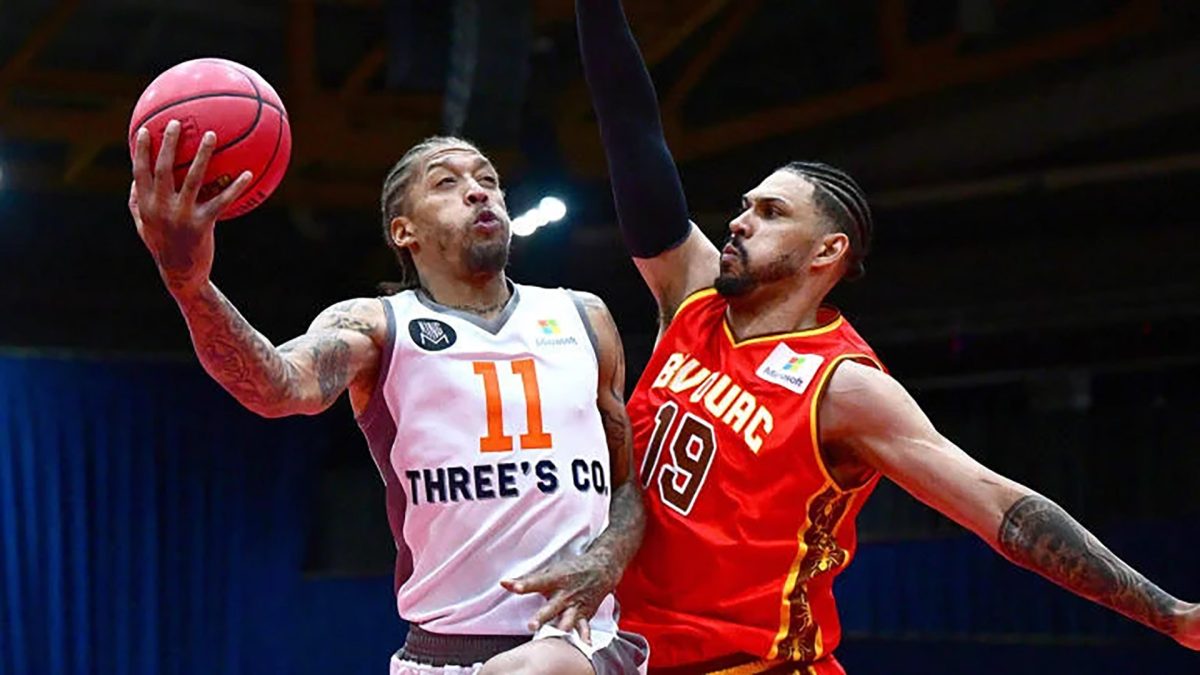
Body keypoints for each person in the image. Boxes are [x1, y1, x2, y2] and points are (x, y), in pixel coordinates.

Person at [574, 1, 1200, 672]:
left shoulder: (844, 387)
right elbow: (632, 132)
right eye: (745, 206)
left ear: (827, 252)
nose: (738, 221)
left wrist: (1168, 612)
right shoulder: (693, 292)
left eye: (770, 212)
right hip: (628, 650)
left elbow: (996, 503)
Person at [128, 123, 649, 674]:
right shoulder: (380, 327)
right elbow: (275, 388)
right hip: (436, 655)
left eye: (488, 179)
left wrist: (606, 563)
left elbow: (627, 489)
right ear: (405, 231)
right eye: (446, 183)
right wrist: (189, 284)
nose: (478, 191)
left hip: (576, 643)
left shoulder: (583, 317)